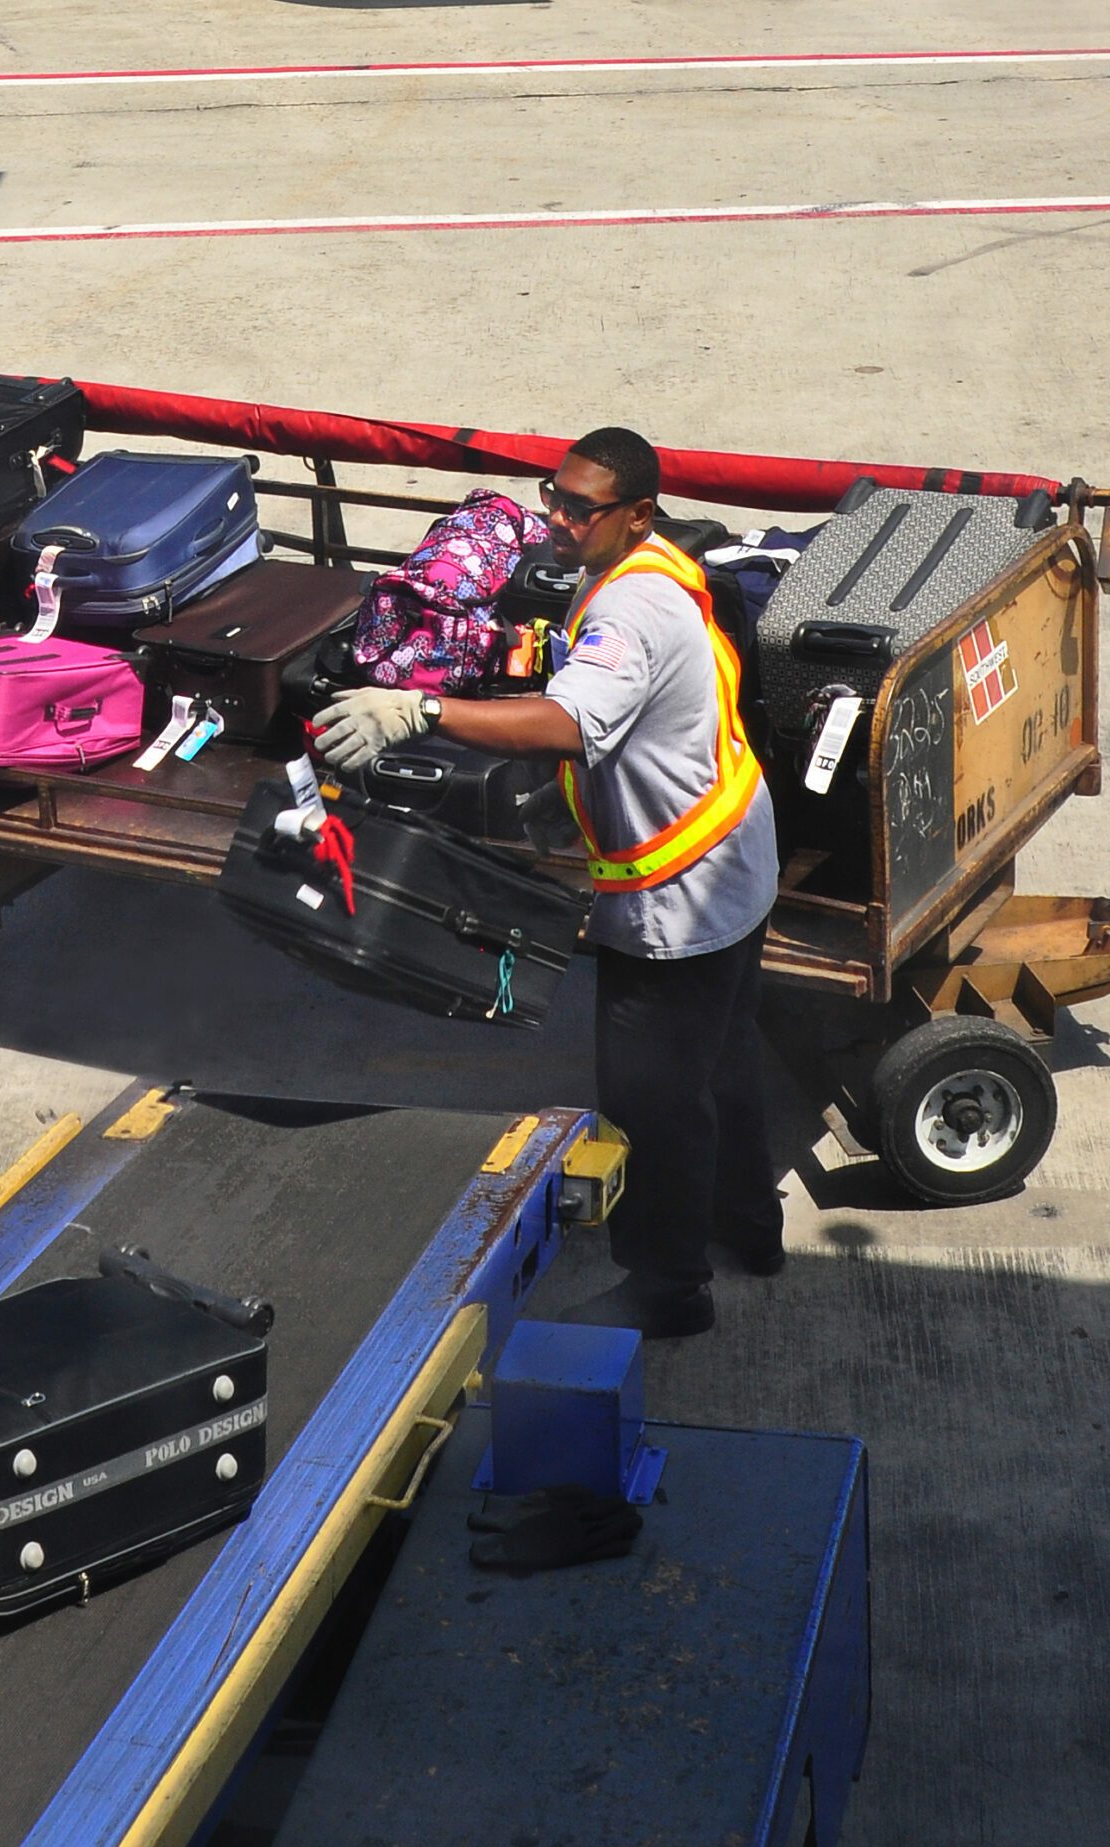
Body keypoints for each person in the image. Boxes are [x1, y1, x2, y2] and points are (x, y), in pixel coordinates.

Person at [314, 427, 782, 1339]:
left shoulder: (628, 612)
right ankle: (748, 1232)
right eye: (552, 496)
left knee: (653, 1100)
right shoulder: (658, 564)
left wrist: (421, 707)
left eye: (579, 508)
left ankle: (667, 1287)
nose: (555, 520)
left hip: (674, 903)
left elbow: (572, 723)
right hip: (735, 852)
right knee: (723, 1059)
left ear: (637, 513)